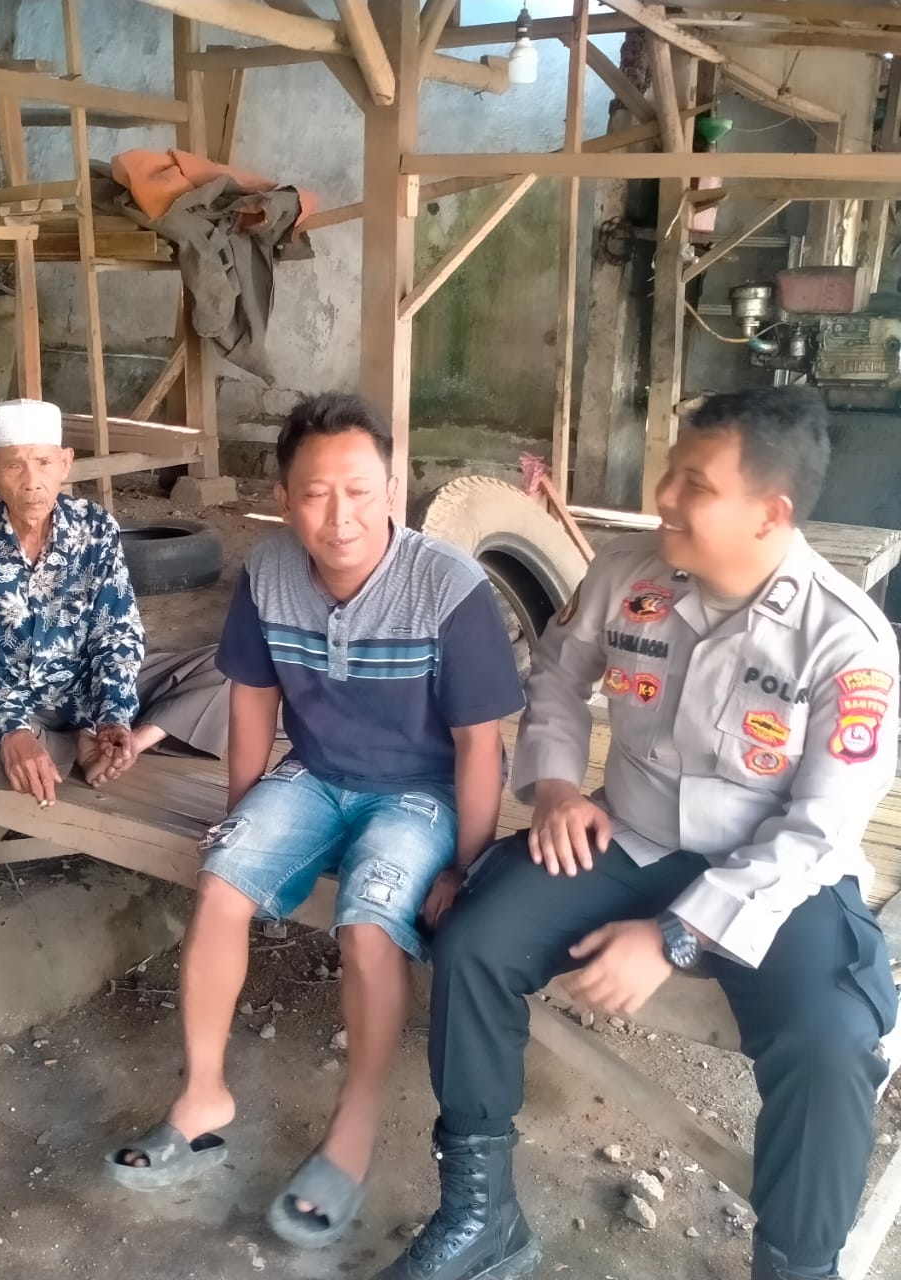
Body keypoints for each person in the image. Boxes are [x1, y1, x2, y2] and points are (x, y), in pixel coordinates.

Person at [381, 387, 899, 1280]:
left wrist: (672, 937)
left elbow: (819, 830)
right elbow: (556, 675)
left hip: (774, 877)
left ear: (770, 513)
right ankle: (482, 1215)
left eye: (696, 484)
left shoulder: (845, 641)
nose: (664, 496)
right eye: (671, 473)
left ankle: (798, 1268)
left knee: (833, 1035)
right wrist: (554, 788)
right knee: (474, 939)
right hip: (631, 837)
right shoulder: (628, 574)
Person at [103, 392, 524, 1250]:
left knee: (368, 924)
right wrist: (242, 817)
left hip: (422, 793)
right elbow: (253, 700)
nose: (341, 518)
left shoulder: (448, 588)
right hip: (315, 774)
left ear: (392, 488)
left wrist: (466, 868)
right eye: (317, 494)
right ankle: (203, 1096)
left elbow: (480, 747)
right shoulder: (268, 572)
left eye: (361, 491)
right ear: (284, 499)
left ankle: (353, 1127)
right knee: (221, 883)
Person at [0, 397, 228, 800]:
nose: (32, 481)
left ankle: (128, 740)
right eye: (14, 465)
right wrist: (12, 732)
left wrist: (114, 715)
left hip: (85, 691)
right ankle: (79, 746)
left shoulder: (95, 527)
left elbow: (117, 632)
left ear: (65, 463)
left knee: (230, 665)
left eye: (44, 463)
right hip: (13, 703)